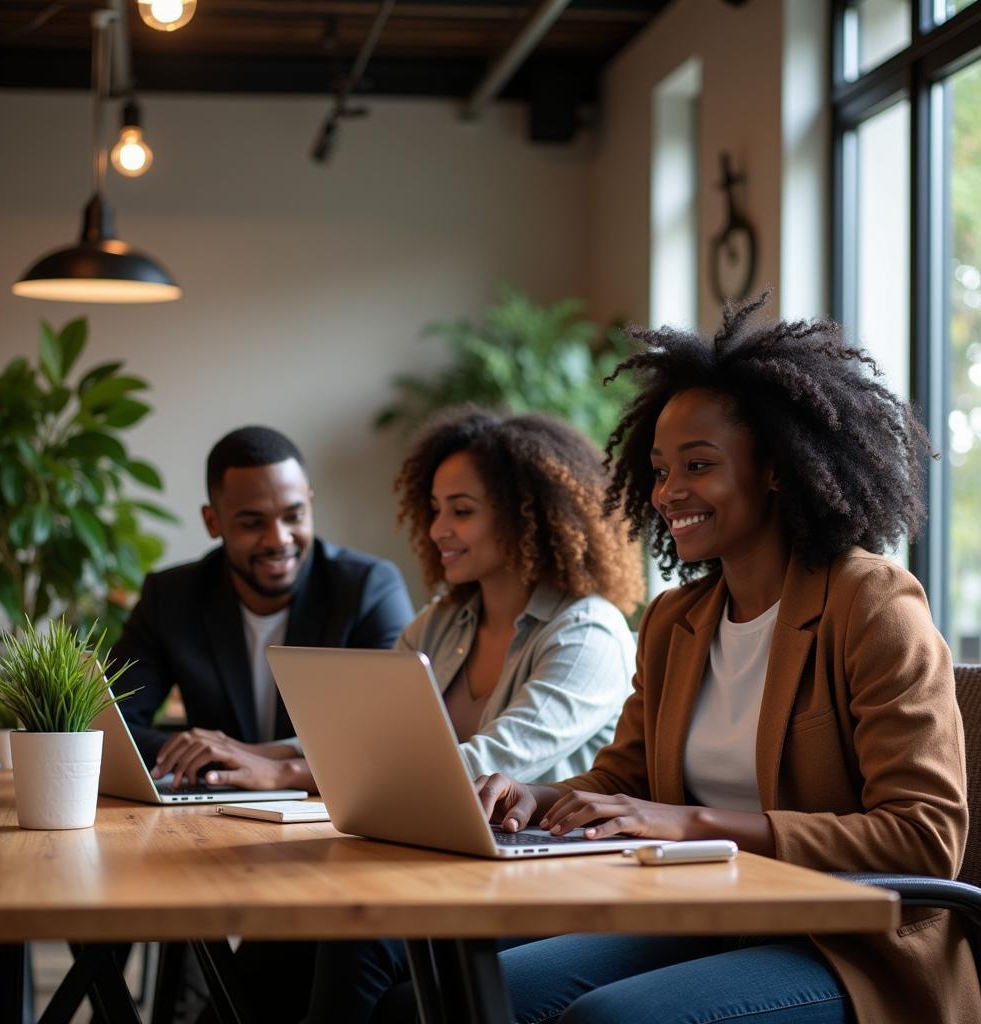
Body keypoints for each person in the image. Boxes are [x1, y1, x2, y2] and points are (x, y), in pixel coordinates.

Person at [463, 296, 980, 1024]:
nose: (670, 492)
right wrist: (536, 797)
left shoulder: (872, 604)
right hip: (707, 917)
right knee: (470, 993)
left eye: (699, 466)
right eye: (661, 469)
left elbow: (924, 840)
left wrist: (697, 824)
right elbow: (627, 781)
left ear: (775, 469)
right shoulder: (678, 620)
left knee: (609, 1022)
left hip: (848, 946)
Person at [240, 407, 644, 1022]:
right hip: (444, 866)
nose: (436, 529)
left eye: (461, 510)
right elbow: (362, 737)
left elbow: (482, 765)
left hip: (550, 874)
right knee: (283, 924)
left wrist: (290, 774)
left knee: (359, 929)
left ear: (525, 514)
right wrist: (253, 756)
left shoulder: (589, 632)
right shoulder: (445, 620)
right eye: (433, 509)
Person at [110, 425, 415, 782]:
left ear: (310, 505)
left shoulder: (369, 589)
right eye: (253, 522)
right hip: (212, 815)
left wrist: (254, 759)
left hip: (331, 817)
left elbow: (398, 737)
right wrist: (192, 752)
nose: (278, 539)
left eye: (294, 516)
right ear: (213, 522)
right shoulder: (171, 596)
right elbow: (113, 726)